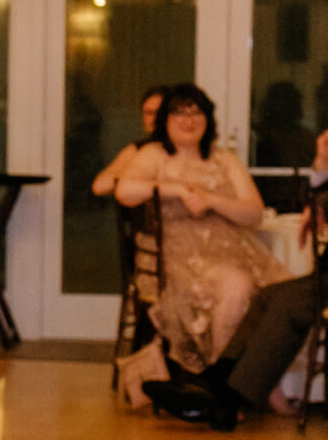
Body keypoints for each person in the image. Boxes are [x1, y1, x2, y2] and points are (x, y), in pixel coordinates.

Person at [142, 70, 328, 431]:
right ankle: (216, 386)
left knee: (292, 301)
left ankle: (223, 397)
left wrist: (322, 203)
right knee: (270, 294)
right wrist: (322, 163)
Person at [109, 82, 282, 378]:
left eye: (195, 113)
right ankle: (227, 381)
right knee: (236, 289)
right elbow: (125, 190)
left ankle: (239, 381)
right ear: (165, 120)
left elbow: (254, 212)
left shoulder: (224, 158)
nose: (188, 121)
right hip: (179, 258)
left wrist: (213, 200)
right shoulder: (153, 154)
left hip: (234, 252)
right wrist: (177, 188)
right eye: (179, 113)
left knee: (276, 297)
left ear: (207, 119)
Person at [89, 83, 165, 197]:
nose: (155, 119)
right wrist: (134, 178)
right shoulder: (137, 149)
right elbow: (100, 186)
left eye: (160, 113)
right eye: (149, 113)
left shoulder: (187, 149)